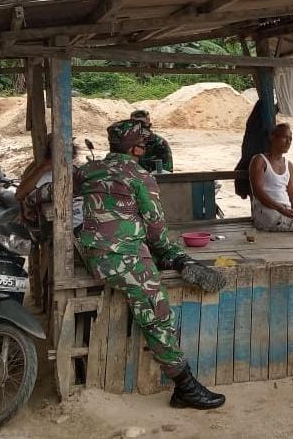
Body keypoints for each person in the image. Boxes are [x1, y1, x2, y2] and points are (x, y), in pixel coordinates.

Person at [78, 119, 227, 409]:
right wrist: (169, 252)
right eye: (143, 143)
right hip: (122, 260)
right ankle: (185, 387)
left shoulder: (88, 170)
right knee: (158, 315)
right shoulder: (140, 176)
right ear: (137, 148)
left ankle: (175, 260)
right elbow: (156, 228)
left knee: (150, 260)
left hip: (92, 256)